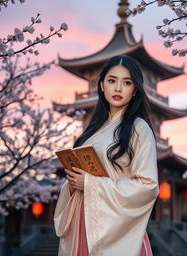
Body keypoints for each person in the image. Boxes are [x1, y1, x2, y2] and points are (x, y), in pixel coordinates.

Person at [54, 55, 159, 256]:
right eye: (112, 81)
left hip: (115, 230)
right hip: (82, 220)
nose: (118, 88)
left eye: (126, 83)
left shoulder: (139, 129)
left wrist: (90, 184)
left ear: (135, 89)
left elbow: (148, 186)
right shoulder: (92, 132)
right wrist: (73, 182)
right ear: (101, 85)